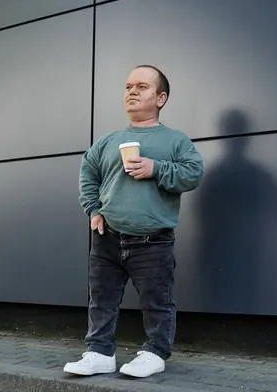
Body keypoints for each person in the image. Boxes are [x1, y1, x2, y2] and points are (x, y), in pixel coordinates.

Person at [64, 65, 204, 378]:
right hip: (107, 238)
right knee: (101, 300)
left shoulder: (175, 141)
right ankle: (99, 352)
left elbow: (193, 173)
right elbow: (88, 172)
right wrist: (94, 209)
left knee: (158, 303)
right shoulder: (108, 141)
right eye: (128, 87)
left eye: (142, 87)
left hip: (153, 240)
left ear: (161, 98)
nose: (132, 92)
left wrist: (157, 169)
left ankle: (155, 353)